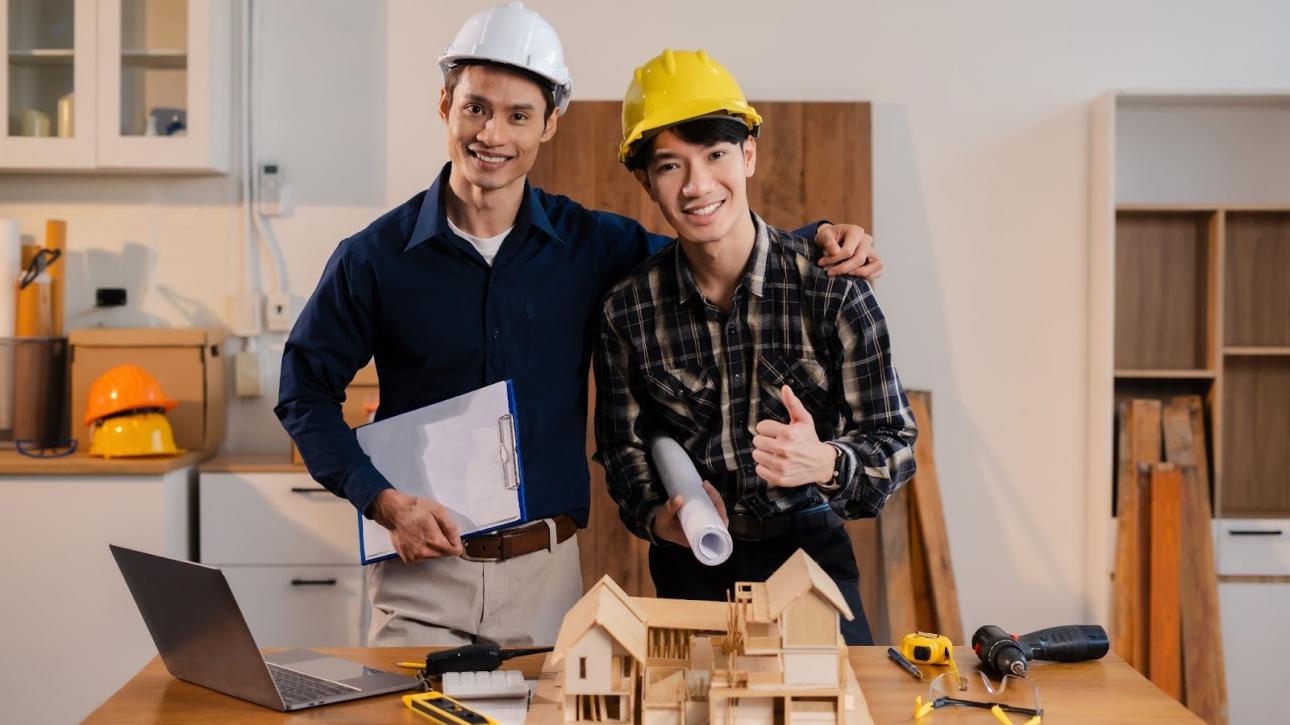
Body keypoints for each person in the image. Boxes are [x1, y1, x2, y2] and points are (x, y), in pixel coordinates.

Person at [276, 3, 882, 648]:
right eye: (476, 107)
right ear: (445, 104)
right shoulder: (373, 259)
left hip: (546, 577)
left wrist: (814, 238)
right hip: (419, 576)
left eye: (518, 115)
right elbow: (304, 393)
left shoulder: (593, 245)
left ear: (549, 124)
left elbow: (708, 246)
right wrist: (381, 500)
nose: (492, 134)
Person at [594, 49, 917, 645]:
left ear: (748, 155)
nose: (696, 186)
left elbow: (895, 446)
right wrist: (659, 519)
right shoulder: (628, 311)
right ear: (645, 181)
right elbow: (623, 449)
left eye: (715, 155)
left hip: (810, 556)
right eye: (670, 166)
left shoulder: (833, 292)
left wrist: (824, 462)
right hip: (691, 565)